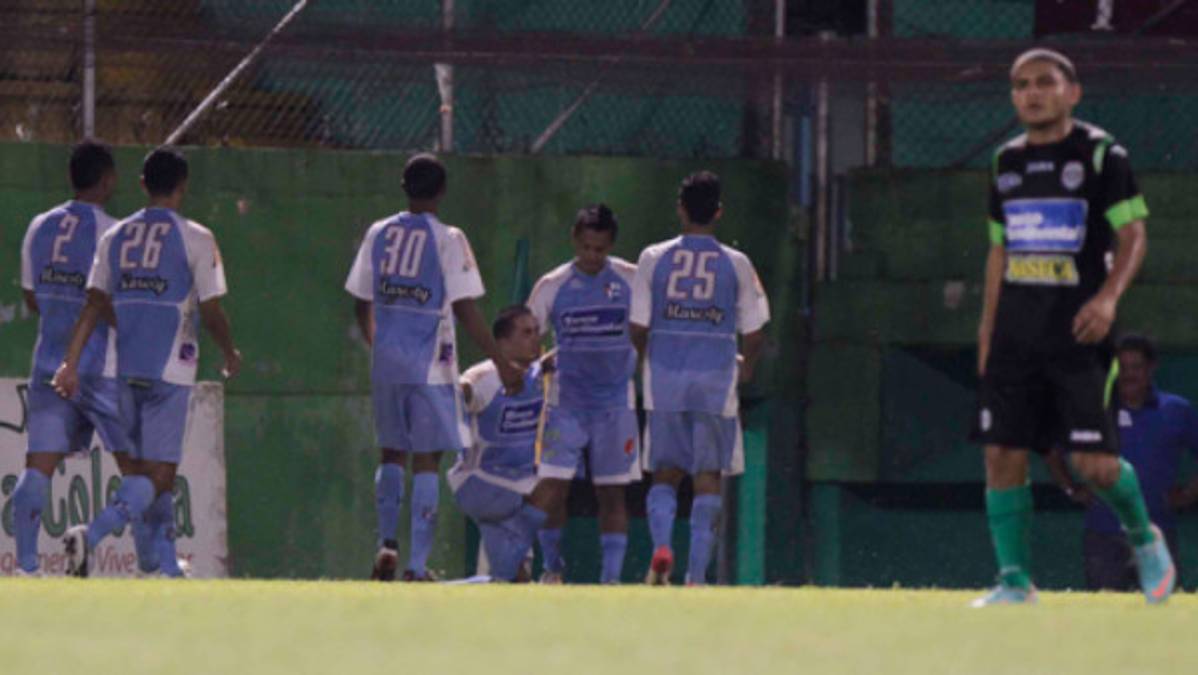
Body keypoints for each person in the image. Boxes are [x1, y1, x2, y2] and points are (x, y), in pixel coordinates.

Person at [973, 48, 1171, 605]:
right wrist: (987, 334)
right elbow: (999, 252)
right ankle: (1014, 583)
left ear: (1072, 92)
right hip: (1015, 336)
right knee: (1001, 453)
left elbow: (1133, 236)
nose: (1031, 93)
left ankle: (1142, 535)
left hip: (1079, 337)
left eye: (1043, 82)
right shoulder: (1004, 162)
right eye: (1020, 85)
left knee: (1095, 467)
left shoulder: (1103, 154)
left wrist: (1109, 299)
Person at [56, 146, 241, 578]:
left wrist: (70, 363)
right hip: (170, 368)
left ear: (142, 185)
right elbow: (211, 310)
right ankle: (92, 534)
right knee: (159, 475)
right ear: (182, 187)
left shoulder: (114, 236)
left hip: (125, 367)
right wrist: (230, 350)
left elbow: (93, 305)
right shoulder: (196, 237)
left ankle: (157, 565)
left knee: (143, 470)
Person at [344, 153, 524, 582]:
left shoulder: (379, 232)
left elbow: (360, 300)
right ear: (442, 191)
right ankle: (416, 565)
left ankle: (386, 542)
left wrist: (378, 344)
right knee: (427, 457)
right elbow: (465, 308)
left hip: (386, 360)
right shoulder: (448, 238)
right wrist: (502, 362)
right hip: (429, 364)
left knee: (391, 451)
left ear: (404, 187)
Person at [630, 171, 769, 586]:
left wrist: (644, 361)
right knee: (708, 476)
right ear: (719, 212)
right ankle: (695, 576)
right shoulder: (737, 263)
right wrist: (748, 367)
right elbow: (756, 330)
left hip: (666, 379)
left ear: (680, 208)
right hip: (715, 380)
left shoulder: (653, 258)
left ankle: (660, 548)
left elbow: (637, 326)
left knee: (666, 472)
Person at [12, 140, 141, 575]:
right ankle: (153, 562)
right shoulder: (115, 233)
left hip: (49, 365)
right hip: (102, 369)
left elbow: (31, 296)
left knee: (38, 468)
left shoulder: (39, 227)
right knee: (140, 469)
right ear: (108, 179)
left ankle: (27, 569)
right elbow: (115, 302)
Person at [524, 204, 640, 584]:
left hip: (615, 405)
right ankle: (551, 568)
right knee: (553, 488)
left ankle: (610, 580)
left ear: (611, 246)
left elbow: (648, 328)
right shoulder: (552, 285)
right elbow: (527, 337)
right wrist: (538, 361)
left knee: (612, 494)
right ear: (575, 240)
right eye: (587, 247)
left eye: (600, 249)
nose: (592, 256)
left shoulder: (631, 280)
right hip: (565, 405)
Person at [1049, 334, 1198, 590]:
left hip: (1159, 532)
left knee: (1162, 612)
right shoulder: (1095, 410)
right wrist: (1070, 488)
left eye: (1136, 367)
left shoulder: (1177, 410)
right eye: (1122, 367)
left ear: (1151, 368)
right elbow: (1054, 451)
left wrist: (1188, 494)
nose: (1129, 375)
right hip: (1103, 534)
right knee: (1102, 613)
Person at [449, 306, 550, 582]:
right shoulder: (487, 376)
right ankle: (555, 570)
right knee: (552, 486)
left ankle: (433, 589)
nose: (535, 338)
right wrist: (459, 388)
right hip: (481, 481)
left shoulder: (542, 375)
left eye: (536, 332)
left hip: (513, 486)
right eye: (526, 332)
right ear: (502, 342)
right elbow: (463, 389)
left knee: (513, 581)